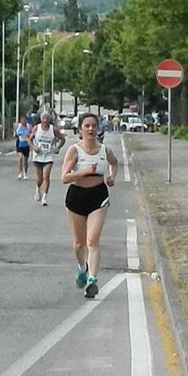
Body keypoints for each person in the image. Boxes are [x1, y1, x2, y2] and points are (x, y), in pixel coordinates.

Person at [61, 113, 118, 298]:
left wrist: (111, 176)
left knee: (92, 240)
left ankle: (92, 280)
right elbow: (64, 177)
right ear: (80, 130)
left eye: (94, 126)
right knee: (79, 244)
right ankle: (81, 268)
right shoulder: (74, 151)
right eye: (87, 126)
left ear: (98, 129)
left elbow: (114, 163)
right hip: (77, 196)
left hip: (98, 196)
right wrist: (84, 171)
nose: (91, 129)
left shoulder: (104, 150)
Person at [29, 111, 66, 206]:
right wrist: (34, 147)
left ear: (49, 120)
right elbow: (29, 139)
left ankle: (45, 198)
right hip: (38, 156)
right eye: (43, 119)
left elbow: (63, 139)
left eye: (47, 119)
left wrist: (57, 148)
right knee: (39, 178)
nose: (45, 121)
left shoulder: (53, 130)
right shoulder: (36, 128)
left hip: (48, 156)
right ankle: (38, 189)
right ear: (41, 120)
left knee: (46, 176)